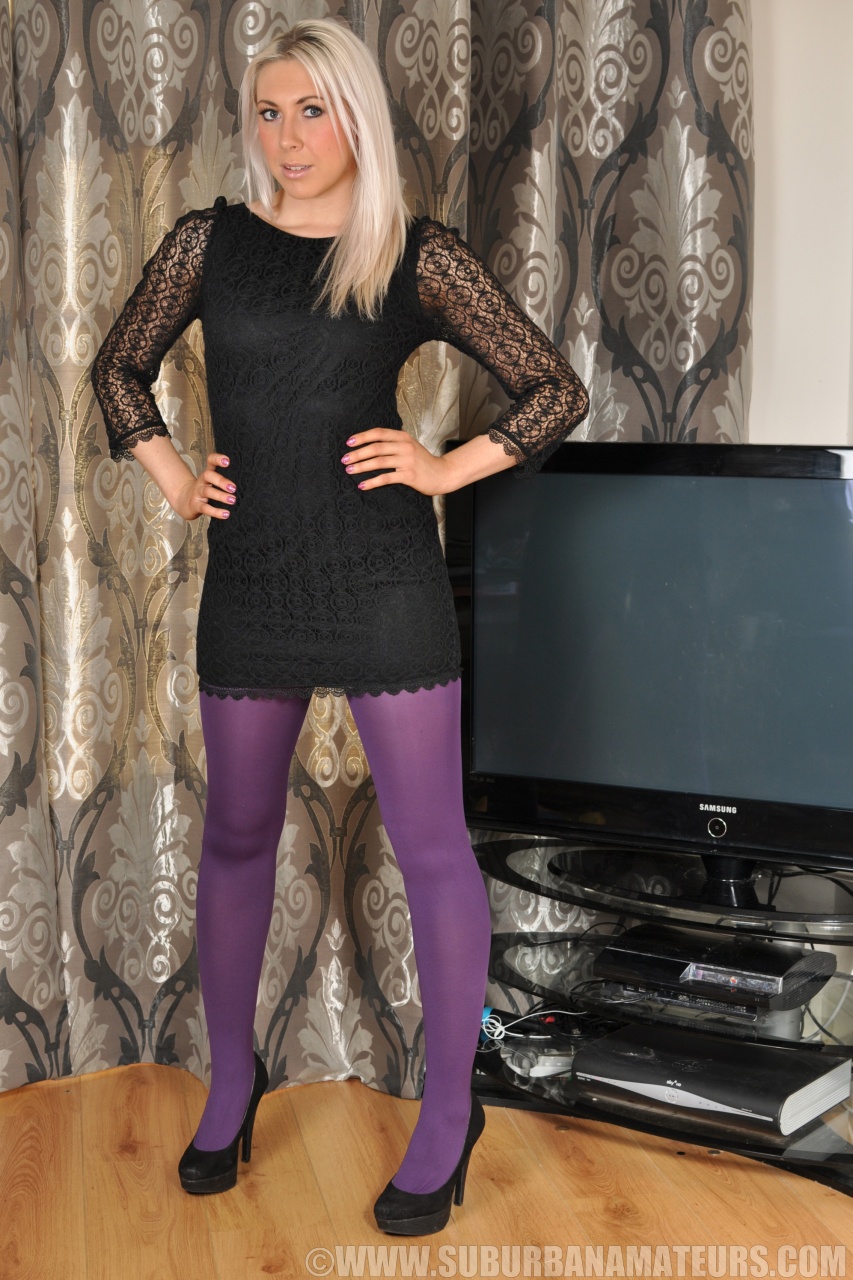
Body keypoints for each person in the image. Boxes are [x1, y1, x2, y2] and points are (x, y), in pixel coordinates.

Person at [91, 18, 589, 1236]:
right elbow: (117, 369)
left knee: (432, 848)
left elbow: (553, 388)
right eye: (268, 112)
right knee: (236, 835)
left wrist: (444, 466)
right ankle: (232, 1083)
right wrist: (173, 476)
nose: (287, 136)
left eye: (311, 110)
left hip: (382, 579)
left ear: (355, 115)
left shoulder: (412, 253)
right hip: (253, 580)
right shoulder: (210, 244)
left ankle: (448, 1113)